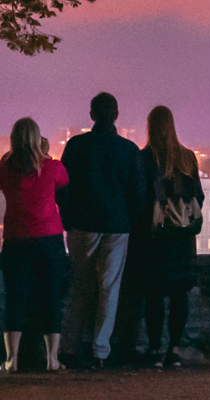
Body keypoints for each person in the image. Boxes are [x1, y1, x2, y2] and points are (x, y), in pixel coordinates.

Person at [58, 92, 147, 369]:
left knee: (81, 286)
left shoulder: (76, 146)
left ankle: (70, 347)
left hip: (82, 224)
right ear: (116, 115)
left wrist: (68, 219)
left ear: (92, 115)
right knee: (109, 287)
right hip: (117, 226)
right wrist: (128, 220)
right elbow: (139, 193)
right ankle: (100, 350)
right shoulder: (129, 150)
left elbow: (63, 188)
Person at [129, 106, 206, 368]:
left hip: (155, 238)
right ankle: (174, 348)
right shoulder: (187, 157)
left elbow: (139, 199)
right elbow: (199, 197)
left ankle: (154, 349)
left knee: (154, 295)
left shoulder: (144, 158)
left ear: (150, 126)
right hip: (182, 238)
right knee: (178, 295)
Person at [2, 118, 71, 372]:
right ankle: (52, 359)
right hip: (49, 240)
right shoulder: (52, 166)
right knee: (50, 298)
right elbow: (64, 185)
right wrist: (45, 152)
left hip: (16, 240)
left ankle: (12, 360)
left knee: (14, 299)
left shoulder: (5, 167)